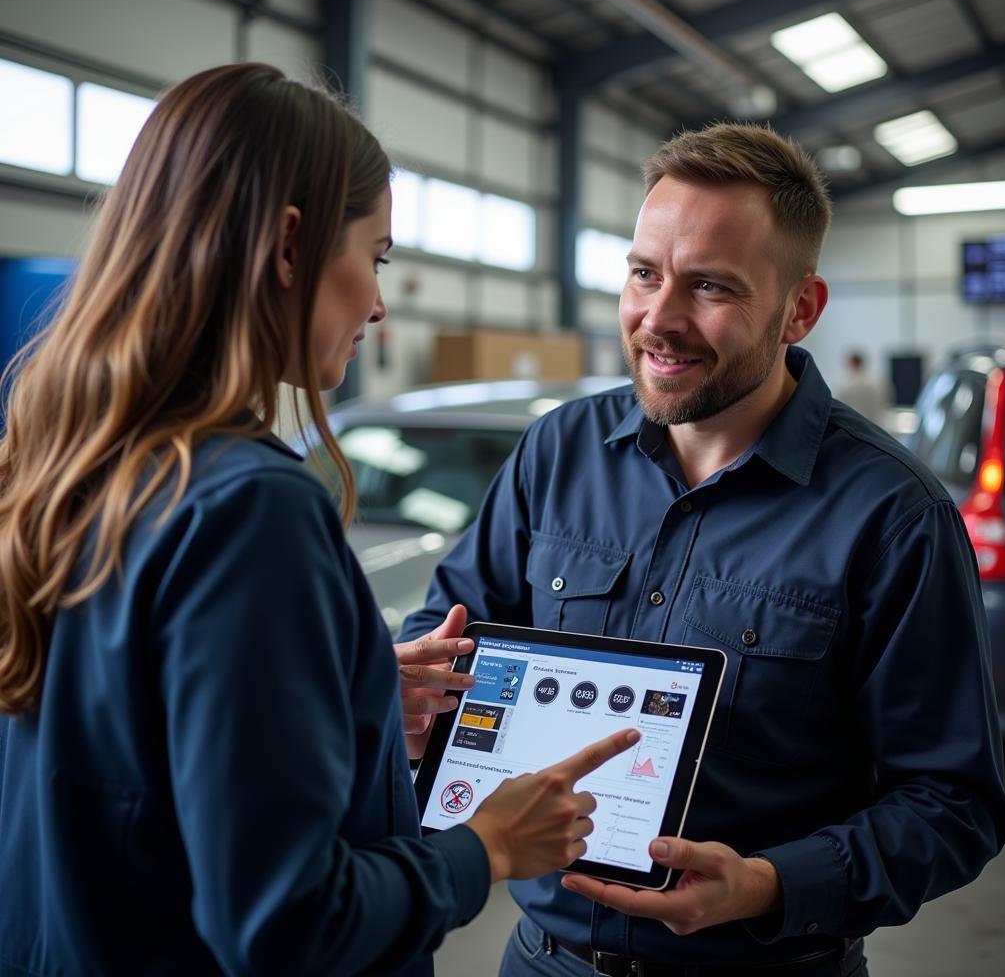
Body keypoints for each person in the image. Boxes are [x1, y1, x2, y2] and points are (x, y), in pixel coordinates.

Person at [0, 63, 640, 977]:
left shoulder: (64, 462)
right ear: (292, 247)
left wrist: (345, 693)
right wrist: (487, 848)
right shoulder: (249, 507)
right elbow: (286, 920)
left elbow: (124, 751)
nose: (379, 304)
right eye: (375, 258)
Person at [400, 123, 1005, 977]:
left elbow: (953, 804)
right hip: (545, 959)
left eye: (710, 287)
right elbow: (453, 629)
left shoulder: (892, 513)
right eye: (644, 274)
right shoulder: (558, 453)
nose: (659, 318)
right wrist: (416, 692)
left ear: (800, 309)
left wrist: (765, 884)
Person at [836, 350, 891, 426]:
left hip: (855, 427)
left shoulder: (846, 387)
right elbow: (886, 402)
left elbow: (840, 408)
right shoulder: (878, 384)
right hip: (876, 426)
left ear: (852, 364)